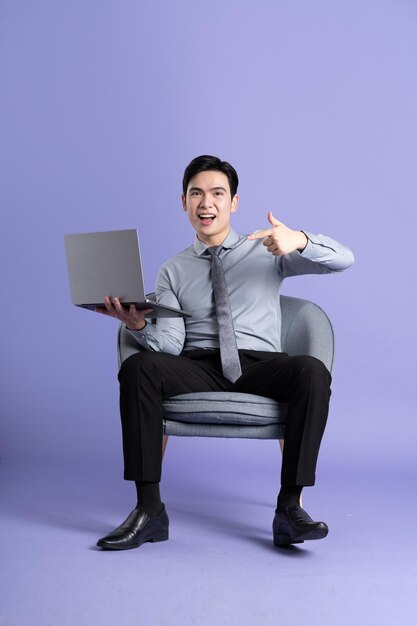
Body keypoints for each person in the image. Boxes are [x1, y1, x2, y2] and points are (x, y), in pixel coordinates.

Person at [95, 154, 354, 550]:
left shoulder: (268, 249)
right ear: (184, 202)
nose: (206, 203)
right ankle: (149, 510)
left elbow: (343, 260)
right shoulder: (173, 269)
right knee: (140, 367)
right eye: (196, 194)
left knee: (311, 371)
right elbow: (171, 345)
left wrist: (299, 239)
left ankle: (289, 509)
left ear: (233, 202)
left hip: (262, 364)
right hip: (198, 364)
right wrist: (138, 326)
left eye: (217, 193)